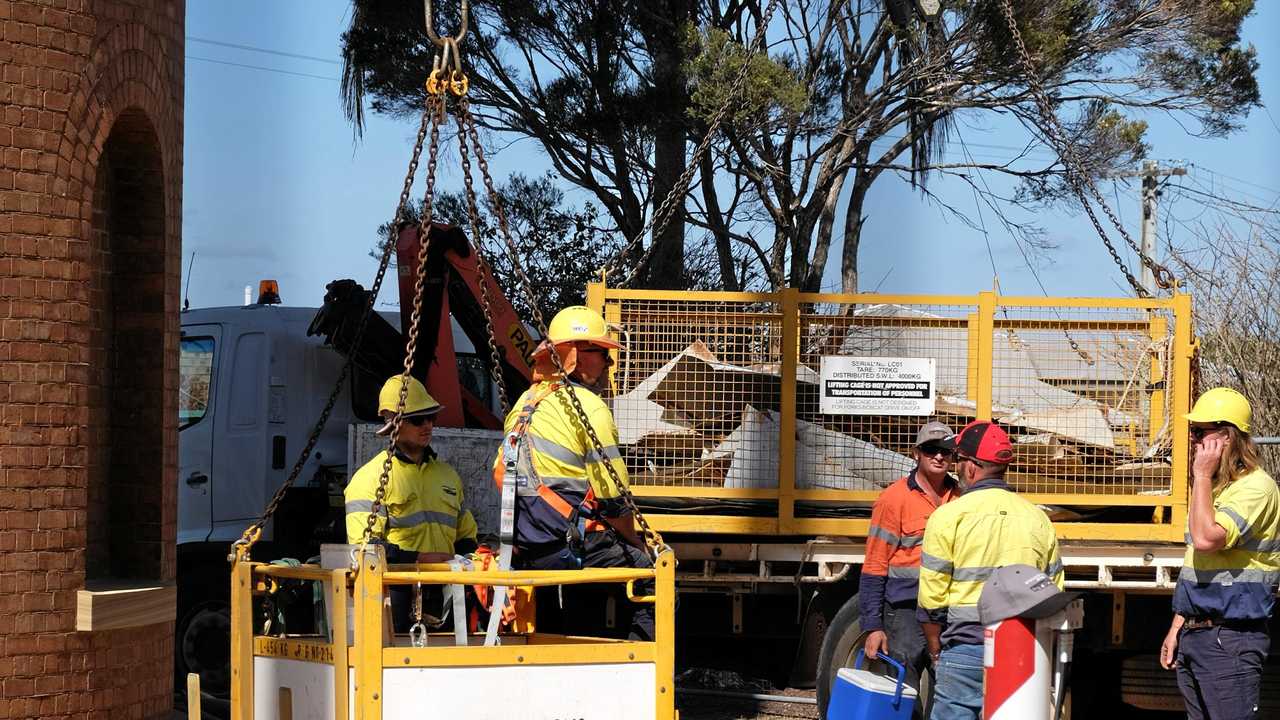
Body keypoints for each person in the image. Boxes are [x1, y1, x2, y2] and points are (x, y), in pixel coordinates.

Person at [494, 305, 654, 640]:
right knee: (651, 576)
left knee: (577, 604)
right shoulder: (589, 407)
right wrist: (638, 543)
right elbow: (615, 500)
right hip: (571, 541)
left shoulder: (525, 404)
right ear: (576, 356)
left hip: (530, 545)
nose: (609, 362)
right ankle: (644, 673)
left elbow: (502, 473)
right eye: (601, 352)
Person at [917, 420, 1063, 720]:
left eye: (958, 460)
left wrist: (936, 652)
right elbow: (1054, 592)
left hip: (964, 647)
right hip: (1022, 653)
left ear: (971, 468)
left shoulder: (947, 517)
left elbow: (932, 599)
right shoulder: (1037, 519)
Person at [1158, 387, 1279, 720]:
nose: (1193, 440)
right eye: (1192, 432)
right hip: (1198, 635)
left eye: (1200, 432)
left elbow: (1207, 539)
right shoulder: (1216, 489)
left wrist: (1200, 475)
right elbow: (1197, 564)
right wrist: (1177, 627)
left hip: (1231, 639)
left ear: (1227, 436)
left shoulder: (1256, 488)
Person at [345, 374, 479, 630]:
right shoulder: (369, 479)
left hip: (447, 596)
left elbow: (466, 536)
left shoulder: (448, 476)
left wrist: (471, 558)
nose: (427, 425)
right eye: (418, 419)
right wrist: (421, 559)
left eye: (431, 417)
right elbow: (365, 549)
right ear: (393, 423)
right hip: (395, 596)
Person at [859, 421, 961, 699]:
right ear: (916, 453)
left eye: (946, 450)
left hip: (950, 610)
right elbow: (874, 565)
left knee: (951, 694)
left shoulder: (962, 498)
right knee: (903, 693)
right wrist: (873, 626)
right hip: (906, 612)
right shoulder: (894, 499)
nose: (939, 456)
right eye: (931, 450)